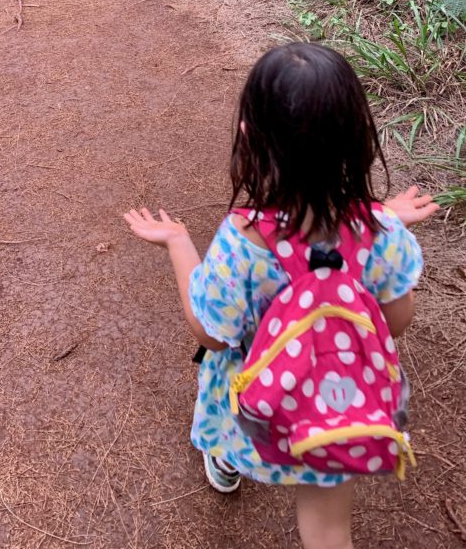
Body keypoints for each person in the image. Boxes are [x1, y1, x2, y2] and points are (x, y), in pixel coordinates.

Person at [123, 42, 439, 549]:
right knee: (331, 529)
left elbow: (212, 334)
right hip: (338, 411)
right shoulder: (381, 229)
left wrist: (180, 244)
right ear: (358, 142)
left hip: (256, 412)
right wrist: (383, 219)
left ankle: (226, 465)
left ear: (249, 138)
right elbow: (397, 320)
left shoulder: (241, 241)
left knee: (235, 431)